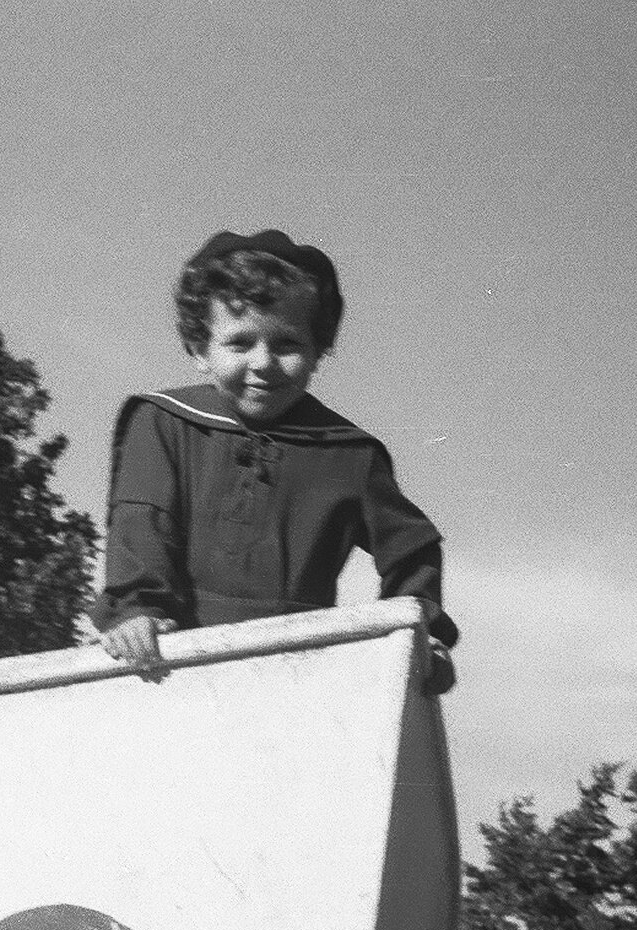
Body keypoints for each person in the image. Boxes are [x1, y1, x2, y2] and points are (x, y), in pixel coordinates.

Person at [89, 228, 458, 693]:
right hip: (172, 666)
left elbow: (412, 547)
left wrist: (416, 631)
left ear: (318, 350)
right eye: (240, 343)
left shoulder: (350, 454)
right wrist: (135, 610)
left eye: (287, 344)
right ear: (200, 349)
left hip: (297, 674)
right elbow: (142, 522)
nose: (263, 362)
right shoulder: (162, 423)